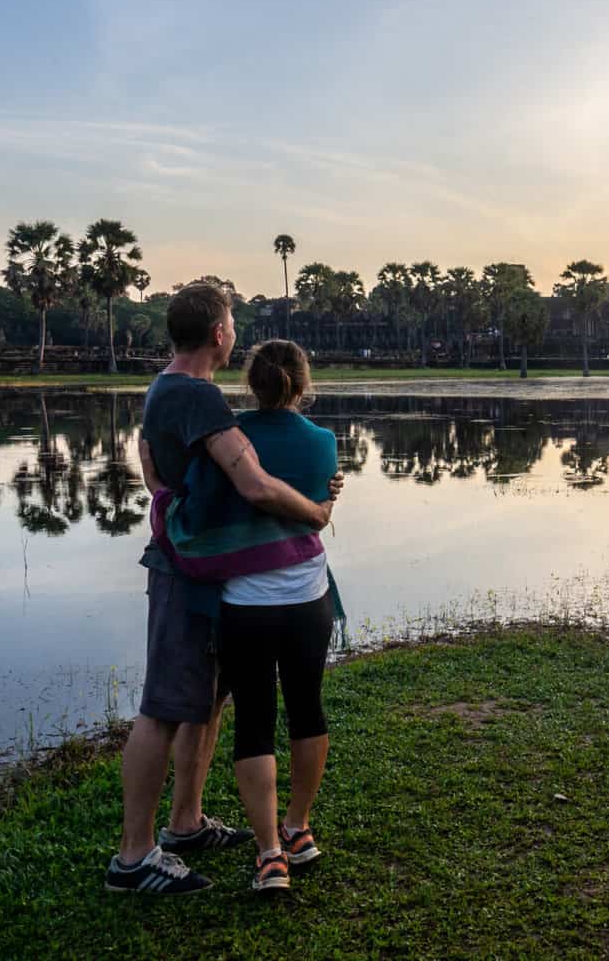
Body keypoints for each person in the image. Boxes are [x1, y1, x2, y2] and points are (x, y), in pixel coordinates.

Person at [104, 283, 340, 896]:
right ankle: (134, 857)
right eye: (232, 321)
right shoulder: (201, 398)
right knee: (163, 705)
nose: (235, 331)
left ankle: (185, 822)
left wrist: (167, 497)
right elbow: (256, 484)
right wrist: (316, 513)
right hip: (188, 572)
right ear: (218, 334)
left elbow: (153, 466)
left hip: (202, 566)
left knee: (208, 699)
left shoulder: (166, 387)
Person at [211, 340, 340, 893]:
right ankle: (299, 828)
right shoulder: (324, 443)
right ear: (303, 384)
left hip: (246, 599)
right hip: (309, 596)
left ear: (252, 384)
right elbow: (320, 509)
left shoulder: (230, 439)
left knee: (255, 722)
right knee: (308, 709)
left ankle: (269, 854)